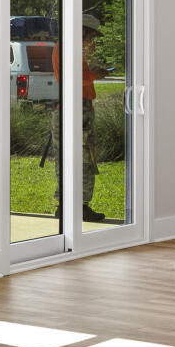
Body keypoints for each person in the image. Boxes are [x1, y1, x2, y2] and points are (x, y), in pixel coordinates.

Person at [78, 12, 110, 224]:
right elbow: (74, 78)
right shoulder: (65, 50)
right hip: (78, 109)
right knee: (84, 159)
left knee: (85, 158)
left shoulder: (74, 51)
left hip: (83, 108)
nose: (91, 42)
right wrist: (94, 75)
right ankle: (78, 206)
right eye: (90, 38)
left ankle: (77, 205)